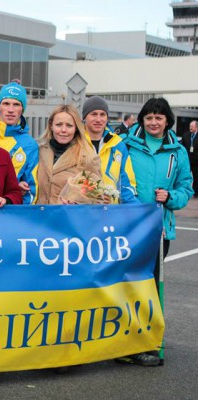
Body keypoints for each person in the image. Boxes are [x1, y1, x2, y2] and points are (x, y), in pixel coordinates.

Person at [118, 97, 193, 366]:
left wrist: (170, 196)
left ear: (167, 121)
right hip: (128, 227)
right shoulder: (126, 144)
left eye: (158, 118)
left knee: (151, 286)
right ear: (142, 119)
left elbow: (186, 187)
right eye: (148, 117)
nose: (153, 122)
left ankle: (147, 341)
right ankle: (122, 342)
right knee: (126, 285)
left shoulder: (177, 151)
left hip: (160, 230)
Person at [36, 105, 101, 204]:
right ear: (51, 126)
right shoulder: (39, 152)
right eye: (59, 125)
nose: (63, 130)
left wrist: (77, 204)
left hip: (69, 214)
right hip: (39, 213)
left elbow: (98, 198)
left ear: (76, 128)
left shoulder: (89, 158)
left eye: (69, 125)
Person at [0, 80, 39, 205]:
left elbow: (31, 189)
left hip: (10, 210)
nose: (11, 109)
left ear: (22, 109)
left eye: (16, 104)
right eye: (6, 103)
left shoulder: (29, 145)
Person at [82, 96, 138, 203]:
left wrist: (138, 210)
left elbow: (127, 185)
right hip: (82, 210)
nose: (98, 119)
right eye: (93, 114)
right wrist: (92, 197)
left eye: (102, 114)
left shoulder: (118, 145)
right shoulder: (76, 143)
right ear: (85, 117)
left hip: (111, 211)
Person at [181, 120, 198, 197]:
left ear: (197, 127)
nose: (190, 128)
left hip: (196, 161)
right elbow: (182, 147)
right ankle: (183, 191)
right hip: (187, 160)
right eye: (190, 126)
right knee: (184, 176)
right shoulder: (185, 135)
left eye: (192, 126)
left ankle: (196, 192)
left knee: (196, 177)